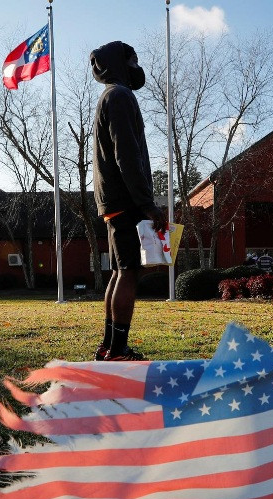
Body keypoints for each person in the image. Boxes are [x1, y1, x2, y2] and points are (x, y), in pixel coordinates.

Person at [90, 41, 166, 361]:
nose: (138, 66)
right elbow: (127, 155)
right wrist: (148, 203)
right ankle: (118, 350)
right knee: (129, 273)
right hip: (126, 200)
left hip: (114, 201)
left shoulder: (111, 96)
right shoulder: (120, 96)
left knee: (122, 272)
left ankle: (109, 346)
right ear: (122, 64)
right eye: (134, 61)